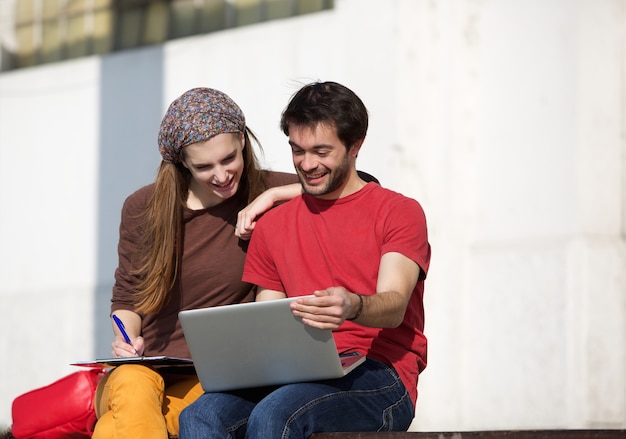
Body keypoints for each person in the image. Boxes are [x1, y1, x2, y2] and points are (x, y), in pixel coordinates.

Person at [179, 81, 431, 438]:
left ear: (355, 146)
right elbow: (269, 321)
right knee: (199, 416)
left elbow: (393, 306)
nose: (307, 164)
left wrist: (352, 305)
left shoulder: (399, 212)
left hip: (381, 374)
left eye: (321, 151)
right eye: (297, 150)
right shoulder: (273, 225)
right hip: (297, 373)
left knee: (277, 414)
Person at [92, 87, 301, 439]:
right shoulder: (142, 207)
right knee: (130, 381)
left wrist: (274, 194)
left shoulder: (268, 191)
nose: (221, 175)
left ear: (243, 142)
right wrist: (124, 339)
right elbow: (127, 297)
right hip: (147, 371)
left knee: (115, 428)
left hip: (216, 379)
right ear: (182, 163)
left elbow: (361, 186)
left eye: (229, 158)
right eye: (204, 166)